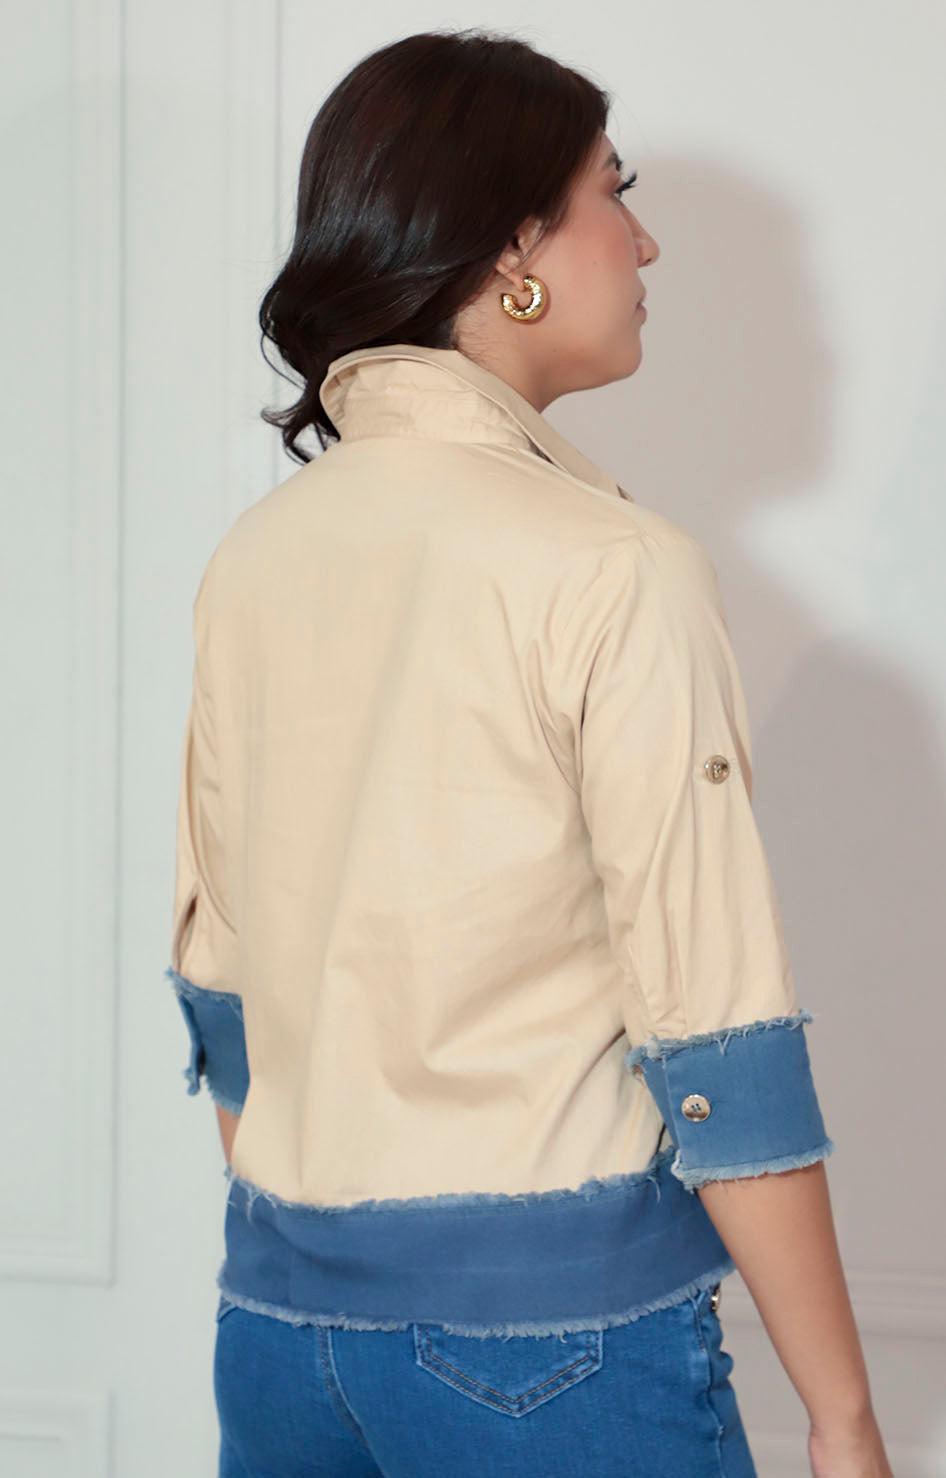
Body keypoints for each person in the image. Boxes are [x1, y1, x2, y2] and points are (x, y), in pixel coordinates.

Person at [165, 26, 893, 1478]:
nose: (645, 240)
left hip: (280, 1336)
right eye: (612, 190)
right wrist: (843, 1417)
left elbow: (223, 994)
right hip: (554, 1356)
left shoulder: (258, 556)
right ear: (514, 248)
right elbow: (716, 1033)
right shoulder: (614, 567)